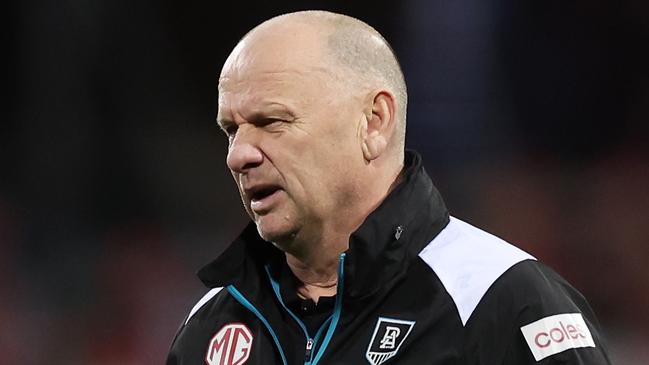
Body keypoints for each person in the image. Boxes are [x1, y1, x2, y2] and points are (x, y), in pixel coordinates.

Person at [167, 10, 612, 365]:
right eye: (232, 130)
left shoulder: (499, 300)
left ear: (374, 122)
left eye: (272, 122)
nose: (238, 154)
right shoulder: (211, 325)